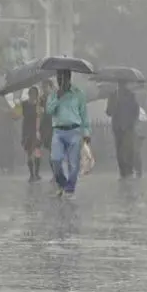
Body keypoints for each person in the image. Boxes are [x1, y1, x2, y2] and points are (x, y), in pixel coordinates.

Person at [46, 70, 90, 199]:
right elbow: (49, 110)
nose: (61, 81)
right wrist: (57, 98)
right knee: (56, 160)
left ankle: (70, 189)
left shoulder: (78, 94)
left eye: (63, 78)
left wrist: (86, 132)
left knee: (74, 164)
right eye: (58, 78)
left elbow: (84, 114)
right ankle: (62, 183)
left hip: (74, 131)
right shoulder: (54, 94)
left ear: (69, 78)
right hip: (58, 131)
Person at [106, 81, 141, 180]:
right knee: (119, 150)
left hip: (128, 126)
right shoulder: (113, 96)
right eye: (120, 84)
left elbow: (136, 110)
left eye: (123, 84)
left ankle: (129, 170)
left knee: (128, 149)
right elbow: (108, 112)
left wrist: (132, 121)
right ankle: (123, 171)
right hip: (117, 127)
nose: (121, 86)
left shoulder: (131, 95)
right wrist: (113, 105)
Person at [21, 87, 42, 182]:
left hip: (35, 130)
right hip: (27, 130)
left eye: (34, 94)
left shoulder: (38, 105)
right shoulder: (24, 104)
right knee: (29, 152)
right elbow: (18, 114)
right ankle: (32, 174)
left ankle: (36, 173)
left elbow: (40, 117)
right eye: (31, 94)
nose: (33, 96)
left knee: (37, 152)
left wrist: (38, 131)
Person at [39, 80, 55, 182]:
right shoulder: (42, 100)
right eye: (43, 87)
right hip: (46, 127)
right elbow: (40, 114)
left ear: (51, 87)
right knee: (51, 151)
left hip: (55, 126)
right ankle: (55, 174)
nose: (44, 89)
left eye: (46, 87)